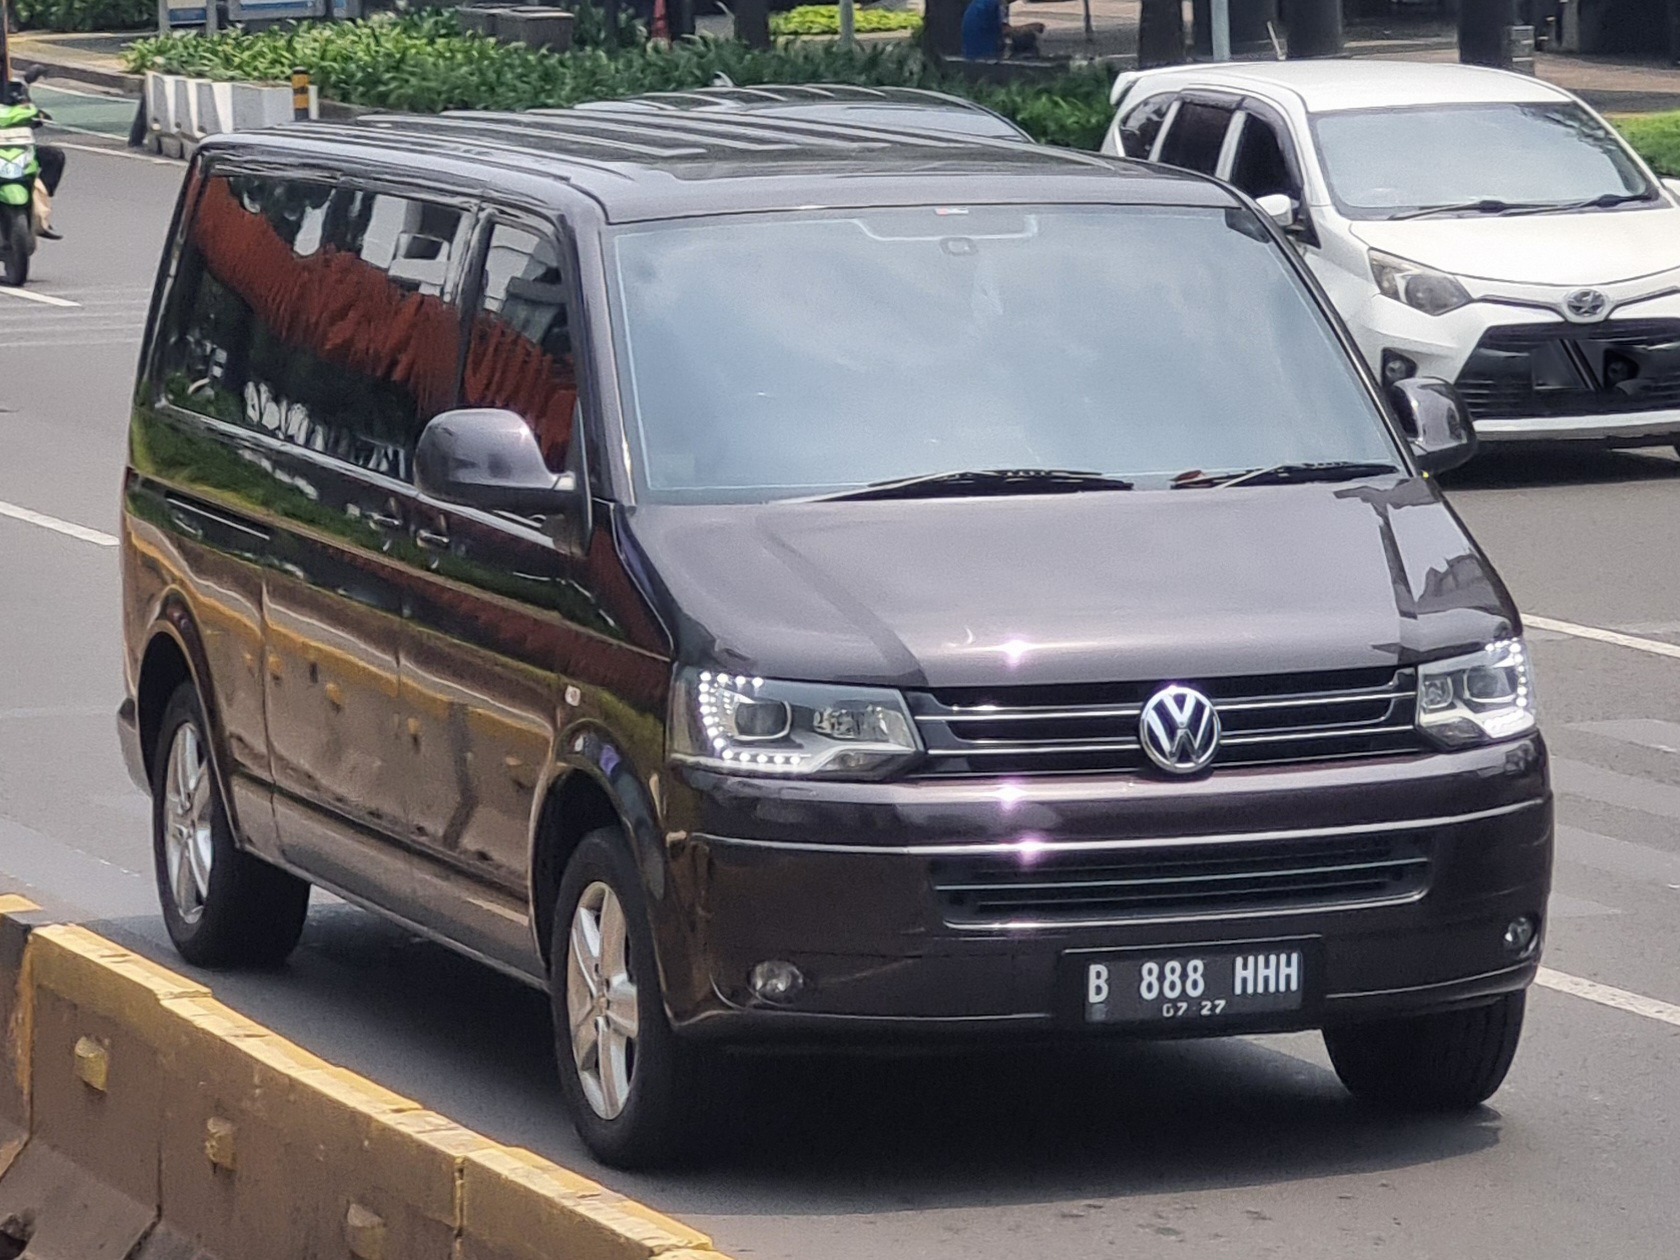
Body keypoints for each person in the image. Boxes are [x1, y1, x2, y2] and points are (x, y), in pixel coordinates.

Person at [961, 0, 1044, 58]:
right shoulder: (995, 4)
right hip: (986, 52)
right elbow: (1004, 30)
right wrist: (1028, 28)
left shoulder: (982, 3)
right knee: (1028, 39)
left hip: (973, 50)